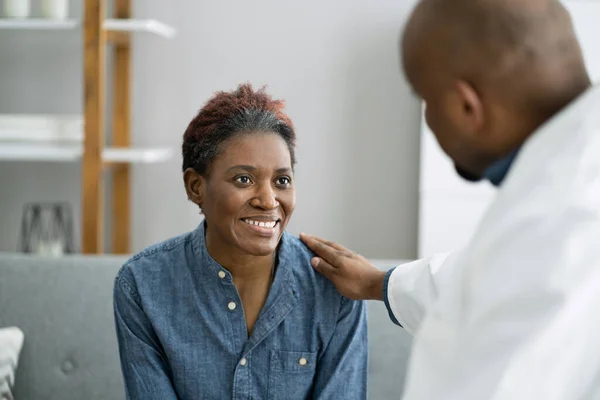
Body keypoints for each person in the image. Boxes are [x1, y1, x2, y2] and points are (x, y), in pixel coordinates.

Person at [300, 0, 600, 398]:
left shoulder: (557, 221)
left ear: (465, 106)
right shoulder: (565, 183)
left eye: (423, 97)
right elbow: (476, 279)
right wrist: (381, 283)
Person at [113, 84, 368, 399]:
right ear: (196, 187)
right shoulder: (142, 285)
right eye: (243, 179)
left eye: (282, 180)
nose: (268, 200)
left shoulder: (336, 288)